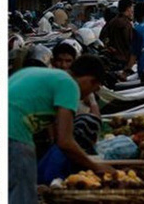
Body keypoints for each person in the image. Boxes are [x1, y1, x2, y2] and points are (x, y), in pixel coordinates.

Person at [8, 55, 113, 204]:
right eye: (93, 89)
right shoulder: (69, 85)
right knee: (22, 197)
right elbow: (65, 141)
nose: (86, 96)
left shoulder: (41, 74)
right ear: (90, 80)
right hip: (17, 137)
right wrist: (96, 166)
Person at [100, 0, 135, 73]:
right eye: (132, 7)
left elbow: (103, 37)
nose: (132, 10)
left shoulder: (112, 21)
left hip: (113, 58)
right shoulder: (126, 24)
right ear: (128, 8)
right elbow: (129, 42)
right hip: (123, 60)